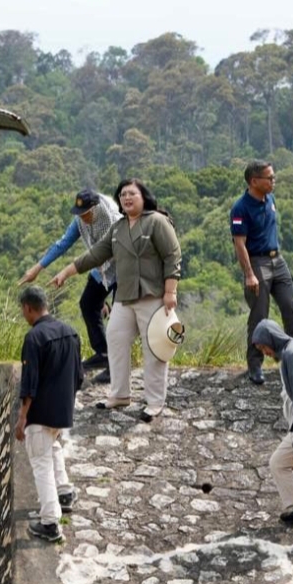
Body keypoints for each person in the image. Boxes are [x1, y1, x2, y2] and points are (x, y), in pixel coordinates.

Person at [48, 178, 181, 423]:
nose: (126, 198)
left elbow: (173, 257)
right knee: (116, 339)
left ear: (143, 196)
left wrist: (170, 292)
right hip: (125, 296)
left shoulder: (157, 222)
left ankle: (154, 402)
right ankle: (120, 394)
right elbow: (97, 253)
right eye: (122, 195)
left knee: (155, 350)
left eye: (132, 194)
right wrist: (66, 272)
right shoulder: (118, 227)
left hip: (152, 296)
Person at [19, 189, 121, 384]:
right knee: (88, 304)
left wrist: (67, 272)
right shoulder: (81, 222)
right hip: (100, 268)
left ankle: (115, 367)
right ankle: (103, 352)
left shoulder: (114, 220)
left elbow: (103, 253)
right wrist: (37, 268)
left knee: (118, 321)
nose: (84, 218)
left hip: (123, 267)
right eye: (80, 214)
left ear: (96, 208)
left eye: (86, 214)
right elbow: (62, 244)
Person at [16, 286, 83, 542]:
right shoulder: (70, 332)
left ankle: (50, 522)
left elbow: (29, 383)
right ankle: (64, 492)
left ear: (28, 308)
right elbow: (79, 377)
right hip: (62, 412)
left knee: (40, 463)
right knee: (53, 448)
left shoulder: (34, 338)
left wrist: (22, 417)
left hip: (40, 413)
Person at [230, 160, 293, 386]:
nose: (274, 181)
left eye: (273, 177)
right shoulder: (240, 208)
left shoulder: (270, 199)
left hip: (277, 260)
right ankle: (255, 365)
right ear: (254, 181)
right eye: (269, 178)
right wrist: (249, 274)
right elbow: (239, 244)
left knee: (290, 310)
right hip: (257, 262)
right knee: (259, 315)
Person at [251, 319, 293, 553]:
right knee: (278, 463)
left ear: (271, 338)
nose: (265, 352)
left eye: (264, 347)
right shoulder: (288, 352)